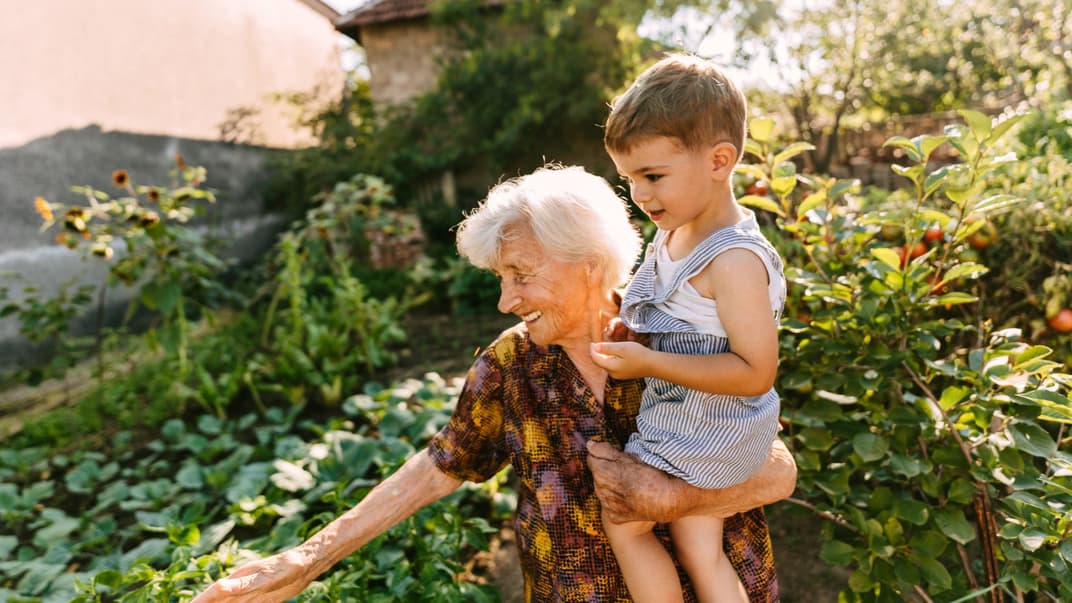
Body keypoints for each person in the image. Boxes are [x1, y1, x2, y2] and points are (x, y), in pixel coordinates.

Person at [192, 165, 796, 603]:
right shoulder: (511, 368)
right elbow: (438, 466)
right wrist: (305, 560)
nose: (506, 300)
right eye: (499, 278)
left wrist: (676, 498)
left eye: (520, 275)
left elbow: (779, 469)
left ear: (588, 262)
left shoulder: (677, 333)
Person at [588, 54, 788, 603]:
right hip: (695, 419)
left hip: (713, 427)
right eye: (629, 179)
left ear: (719, 160)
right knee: (701, 548)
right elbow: (670, 311)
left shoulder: (733, 261)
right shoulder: (675, 234)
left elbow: (755, 372)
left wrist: (651, 363)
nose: (641, 196)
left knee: (624, 521)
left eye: (653, 176)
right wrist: (635, 333)